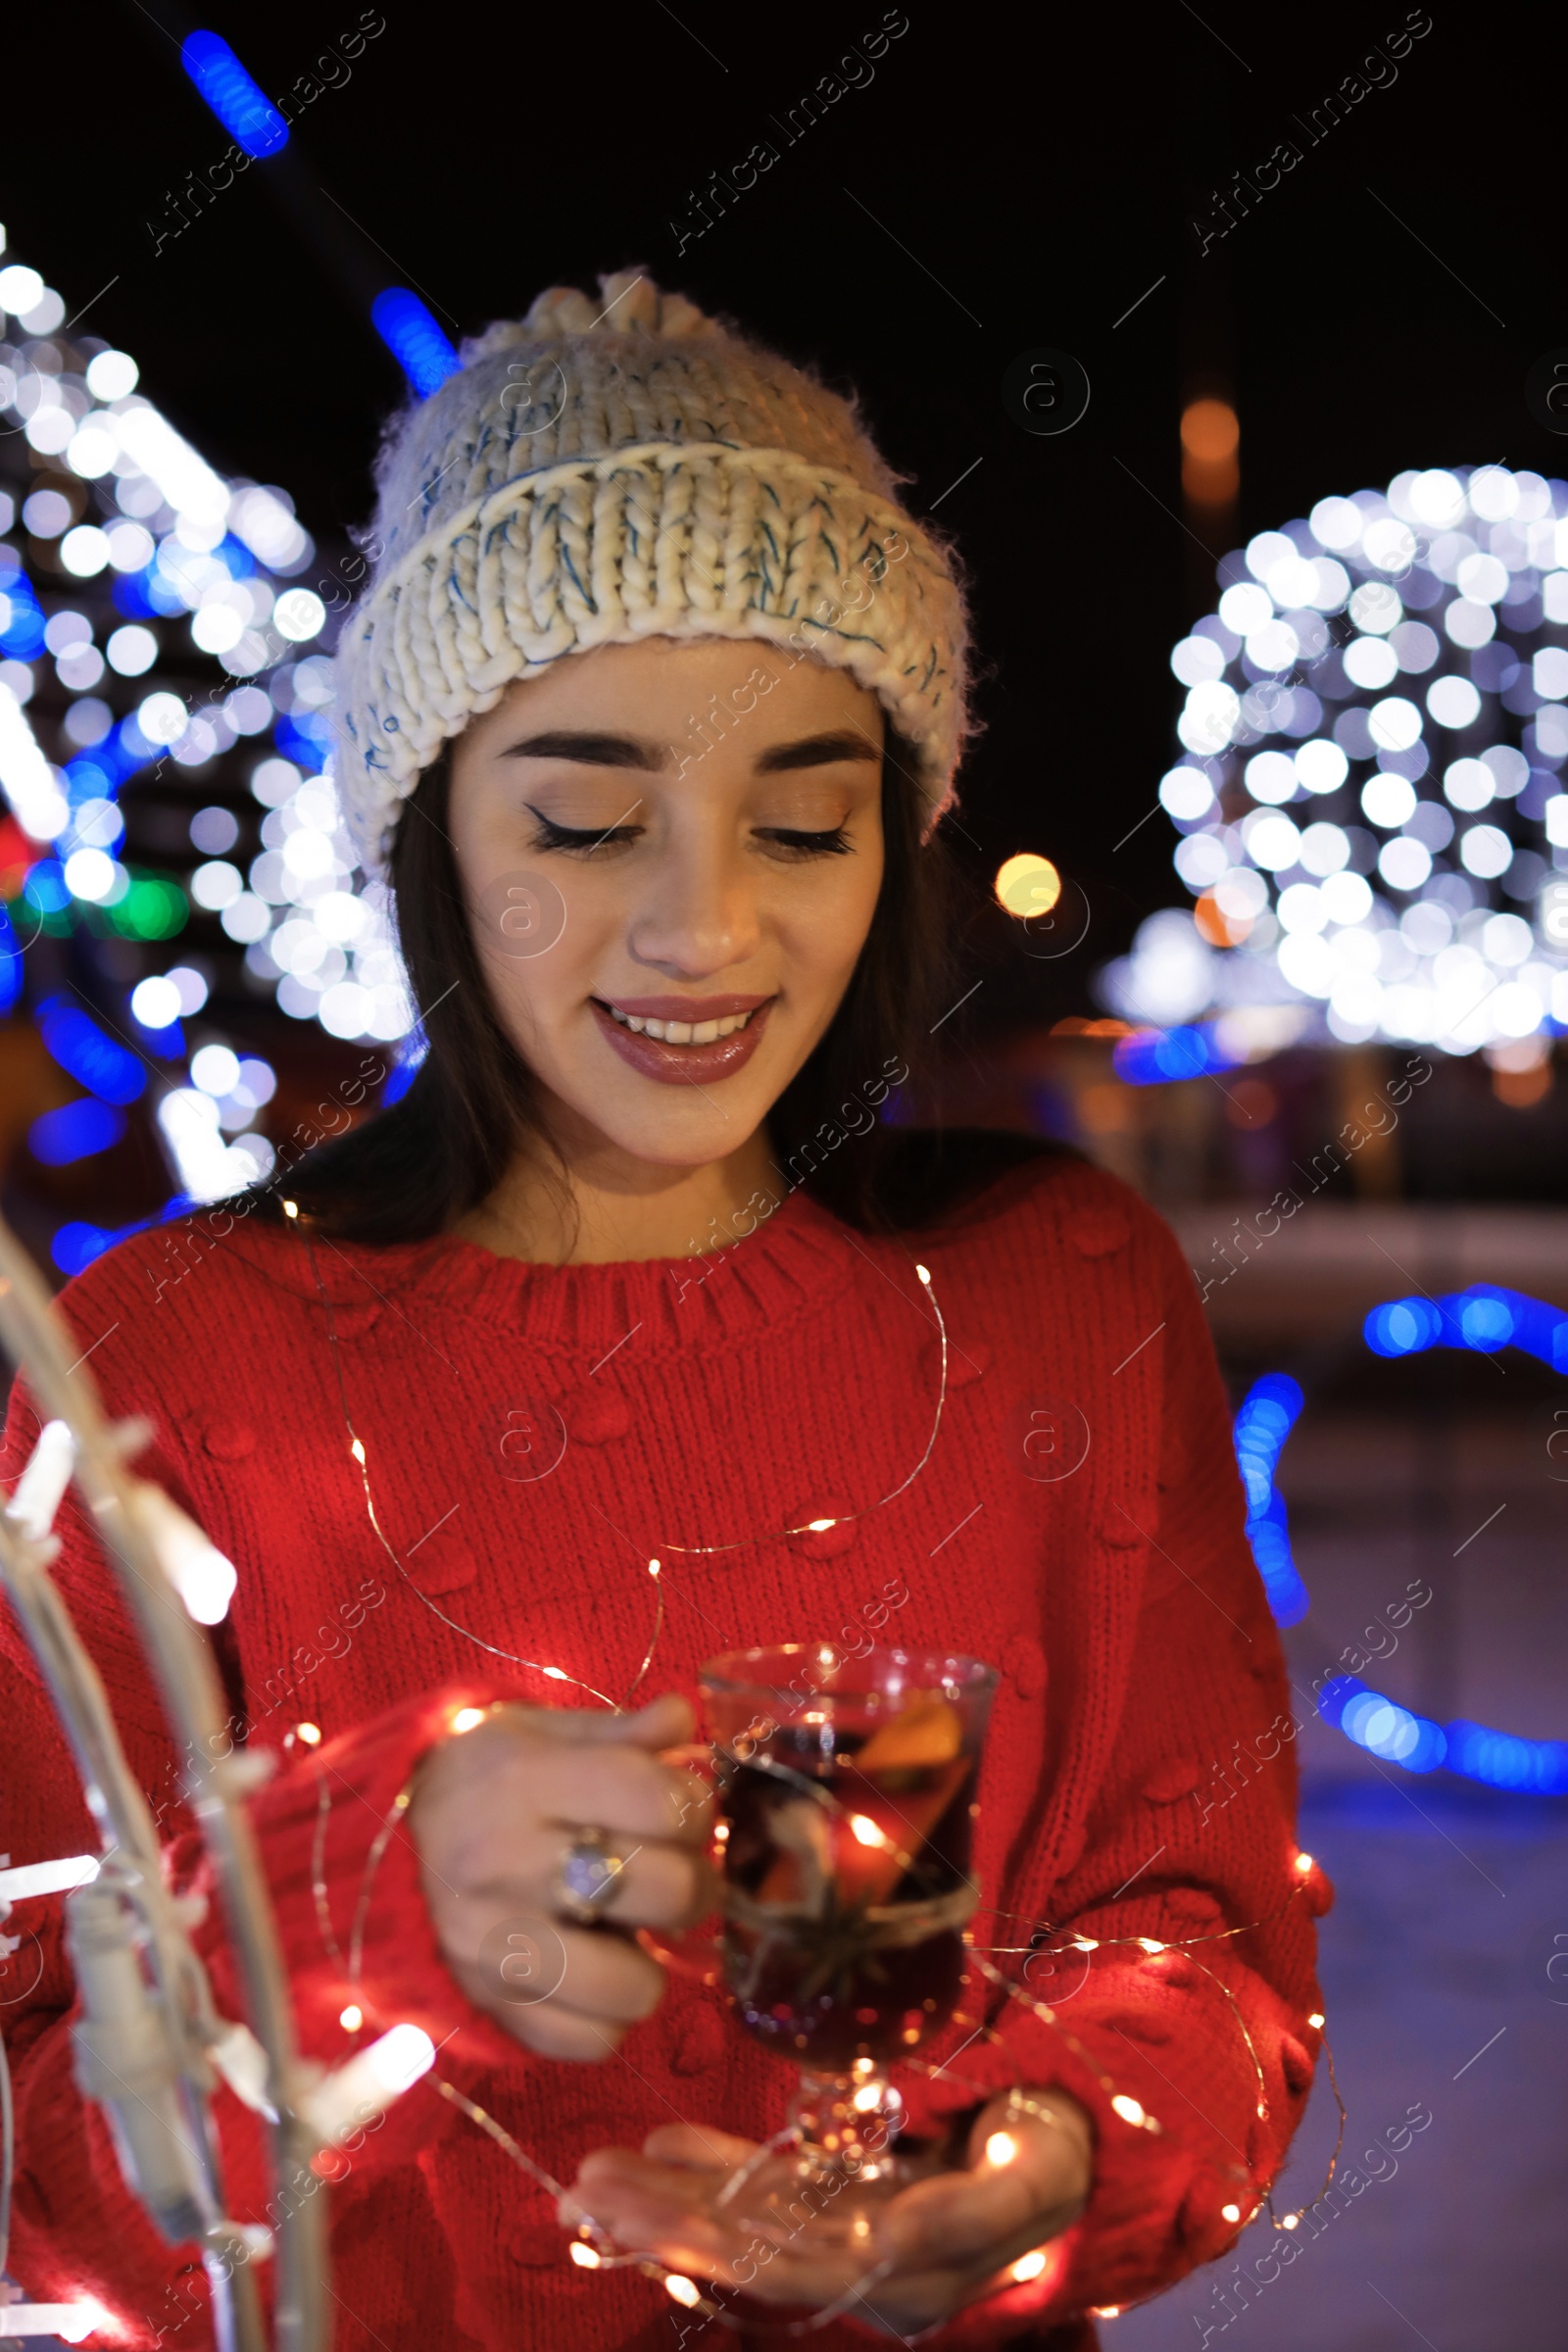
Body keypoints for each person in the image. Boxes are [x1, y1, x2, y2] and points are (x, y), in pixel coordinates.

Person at [0, 271, 1328, 2350]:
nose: (706, 926)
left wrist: (1015, 2167)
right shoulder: (164, 1369)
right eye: (587, 819)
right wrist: (351, 1927)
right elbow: (41, 2186)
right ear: (428, 824)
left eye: (804, 819)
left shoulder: (1058, 1298)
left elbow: (1199, 1946)